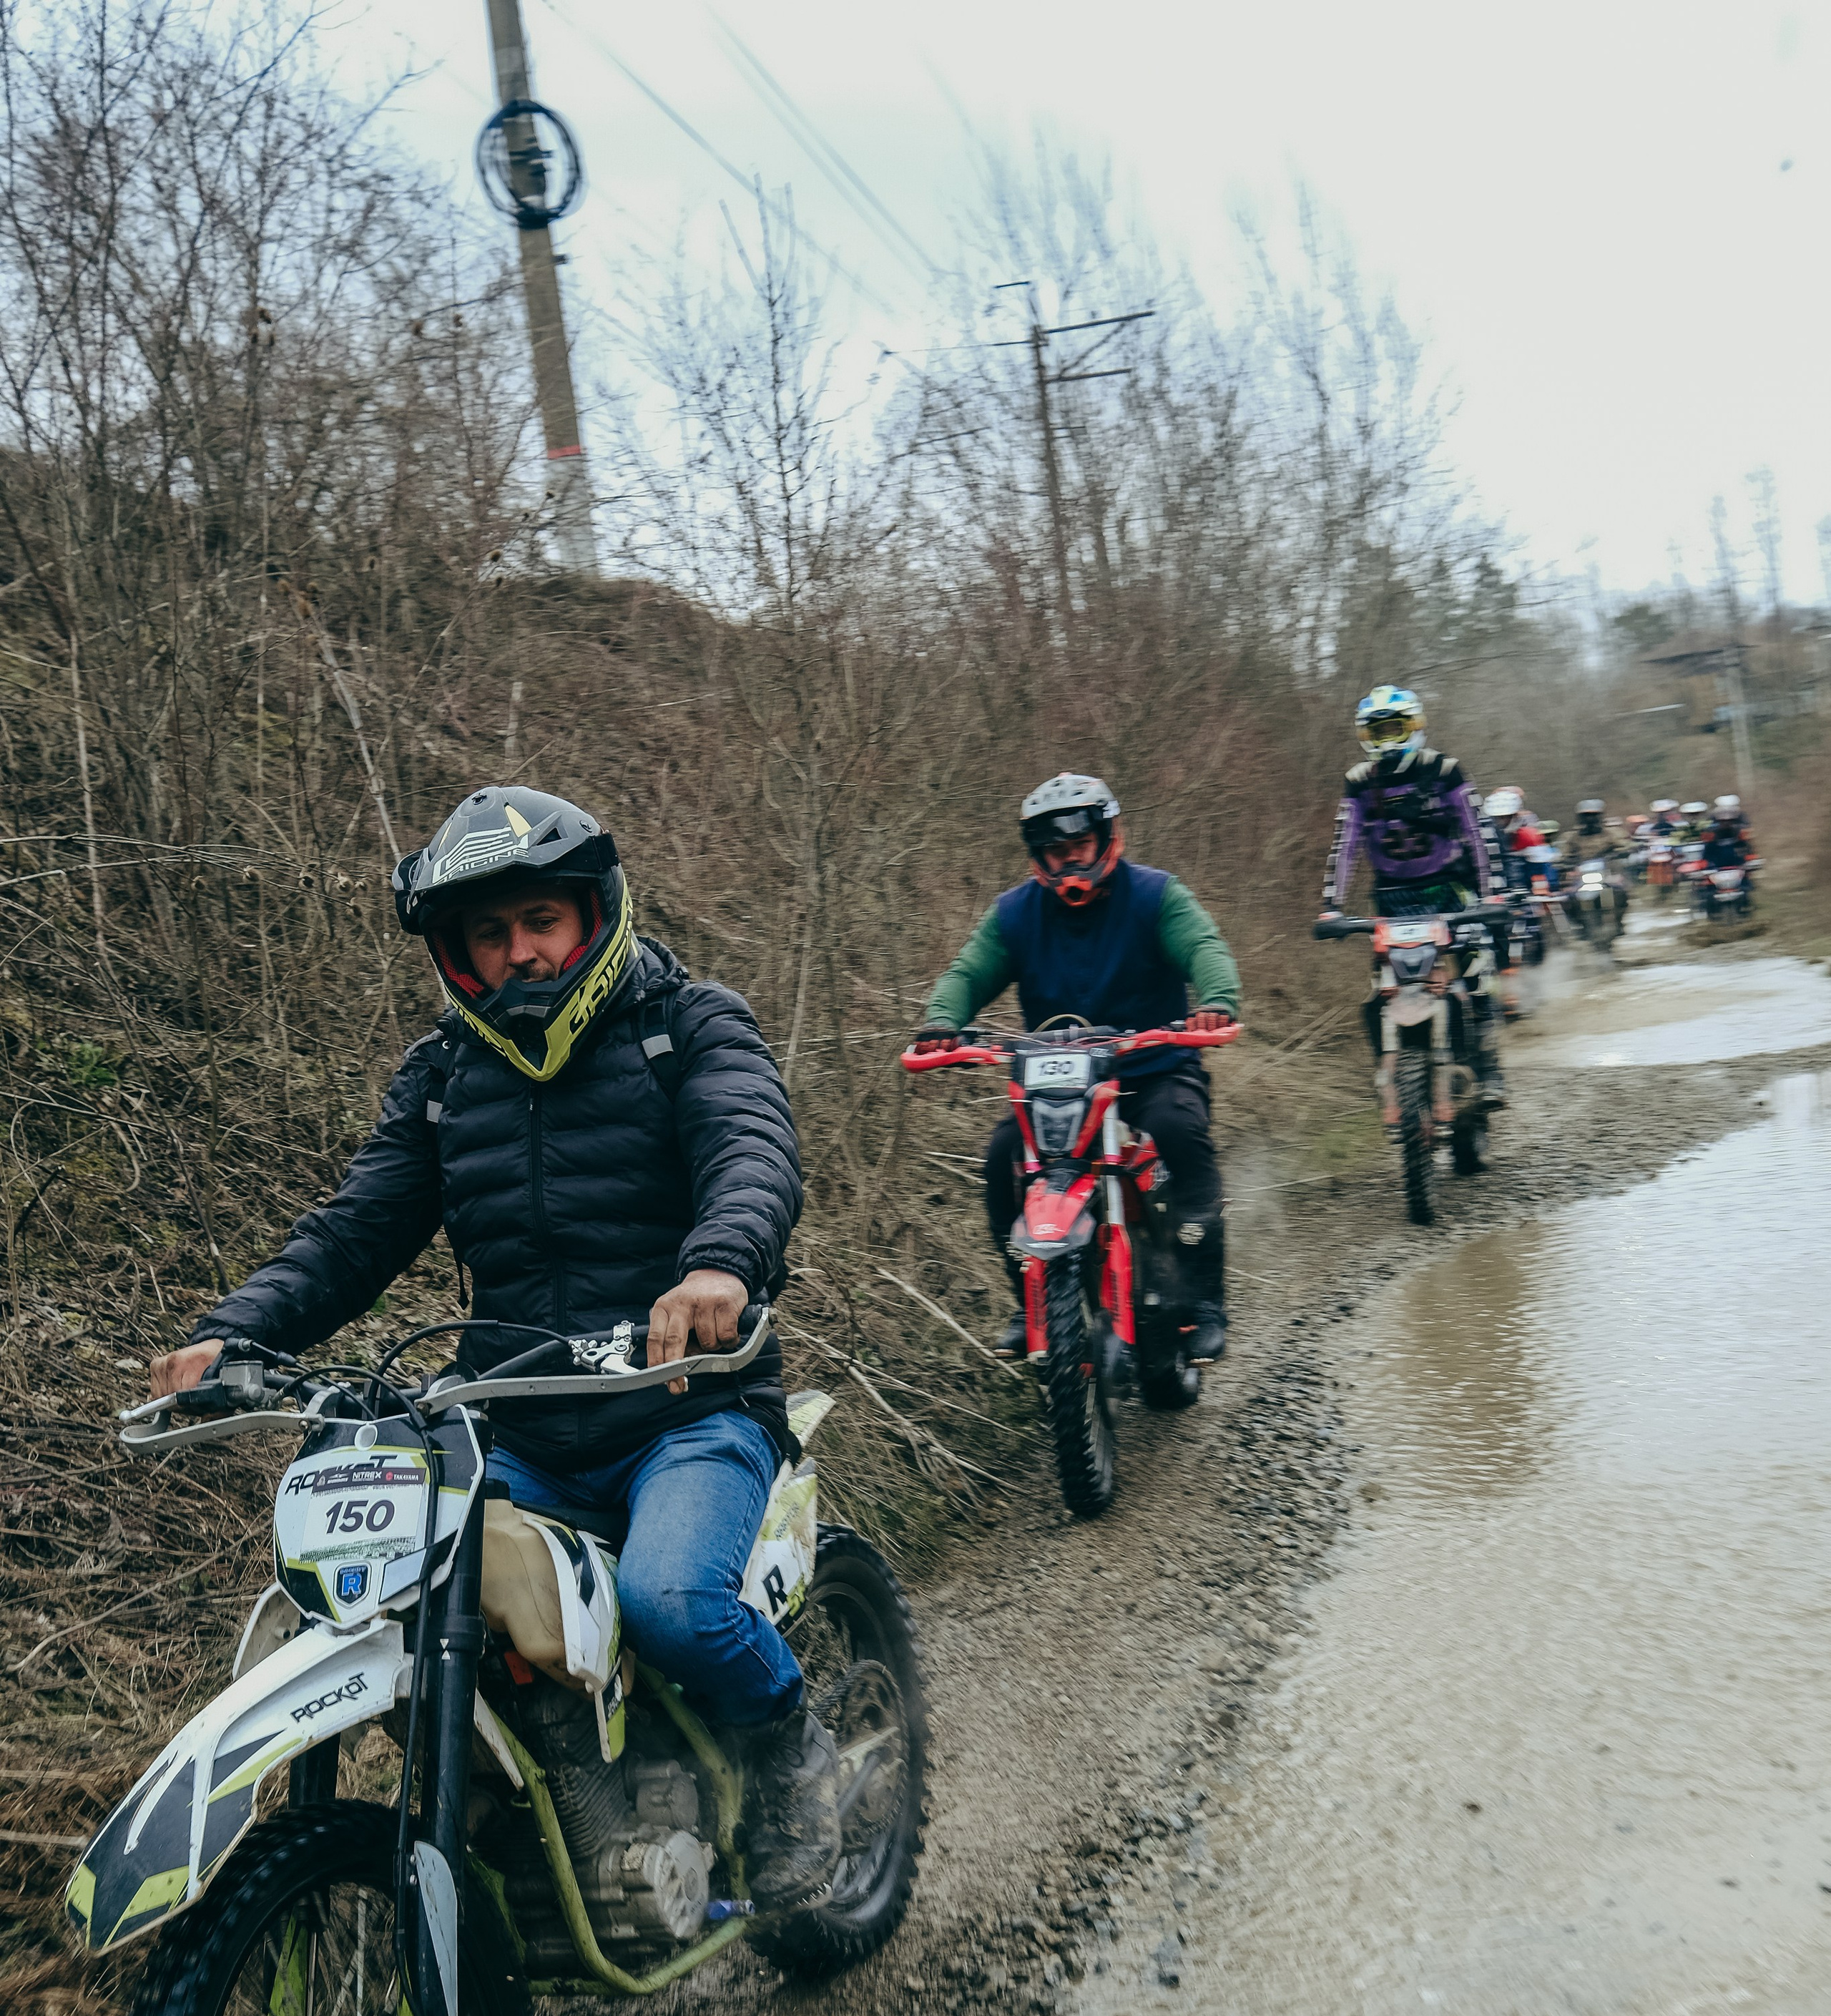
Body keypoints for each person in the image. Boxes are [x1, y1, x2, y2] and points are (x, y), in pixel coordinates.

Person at [148, 785, 838, 1910]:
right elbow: (355, 1230)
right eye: (489, 932)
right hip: (513, 1424)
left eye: (541, 923)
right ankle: (549, 1806)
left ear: (590, 915)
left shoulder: (689, 1023)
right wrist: (237, 1328)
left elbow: (750, 1148)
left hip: (687, 1410)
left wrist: (719, 1265)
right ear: (459, 952)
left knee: (671, 1602)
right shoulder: (444, 1079)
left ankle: (788, 1749)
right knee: (414, 1593)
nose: (520, 953)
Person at [909, 774, 1240, 1363]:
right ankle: (1029, 1301)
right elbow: (969, 972)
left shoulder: (1157, 895)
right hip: (1058, 1084)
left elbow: (1203, 946)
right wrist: (942, 1020)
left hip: (1153, 1067)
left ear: (1106, 837)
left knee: (1181, 1131)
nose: (1068, 860)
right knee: (1001, 1160)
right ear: (1039, 856)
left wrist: (1216, 1002)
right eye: (1055, 850)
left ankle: (1206, 1303)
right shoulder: (1015, 913)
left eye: (1079, 845)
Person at [1320, 687, 1507, 1106]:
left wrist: (1493, 895)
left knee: (1478, 974)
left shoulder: (1446, 772)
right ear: (1365, 734)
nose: (1387, 739)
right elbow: (1344, 844)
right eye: (1378, 730)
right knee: (1381, 993)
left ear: (1414, 726)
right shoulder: (1359, 783)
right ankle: (1390, 1073)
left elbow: (1480, 834)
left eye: (1395, 728)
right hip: (1392, 901)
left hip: (1451, 894)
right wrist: (1330, 905)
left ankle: (1490, 1068)